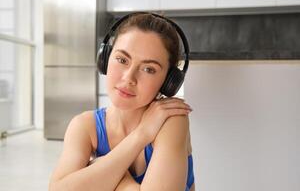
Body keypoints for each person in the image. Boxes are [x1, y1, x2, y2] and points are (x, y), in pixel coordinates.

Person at [49, 12, 195, 191]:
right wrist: (141, 134)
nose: (129, 78)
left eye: (149, 69)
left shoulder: (171, 120)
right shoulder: (84, 126)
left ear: (168, 81)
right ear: (105, 59)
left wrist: (115, 178)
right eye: (122, 59)